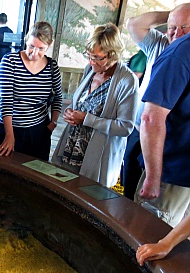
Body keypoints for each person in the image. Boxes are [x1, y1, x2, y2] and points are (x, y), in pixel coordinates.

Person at [51, 23, 138, 187]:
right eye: (89, 55)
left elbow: (125, 127)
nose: (91, 62)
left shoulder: (127, 80)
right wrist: (71, 112)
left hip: (97, 155)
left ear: (113, 55)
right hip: (72, 147)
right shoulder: (90, 69)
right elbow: (84, 104)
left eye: (97, 57)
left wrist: (86, 119)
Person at [122, 3, 190, 200]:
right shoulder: (159, 44)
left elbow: (154, 117)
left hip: (164, 138)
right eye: (172, 27)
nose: (177, 33)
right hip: (138, 128)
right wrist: (174, 14)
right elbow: (133, 24)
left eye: (184, 27)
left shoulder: (184, 55)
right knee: (131, 177)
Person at [135, 32, 190, 228]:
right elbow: (151, 118)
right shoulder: (181, 53)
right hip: (173, 173)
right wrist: (153, 177)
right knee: (153, 232)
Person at [0, 21, 62, 161]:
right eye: (31, 46)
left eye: (41, 49)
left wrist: (52, 124)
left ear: (49, 45)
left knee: (37, 170)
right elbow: (6, 102)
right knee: (9, 168)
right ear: (26, 40)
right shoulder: (10, 61)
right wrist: (9, 136)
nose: (35, 53)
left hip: (40, 128)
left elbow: (58, 97)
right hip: (12, 126)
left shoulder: (52, 66)